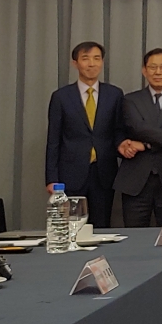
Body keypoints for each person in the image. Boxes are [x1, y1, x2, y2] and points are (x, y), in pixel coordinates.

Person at [45, 42, 132, 228]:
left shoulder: (114, 94)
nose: (91, 64)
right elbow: (53, 140)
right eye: (85, 59)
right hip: (70, 174)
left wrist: (122, 144)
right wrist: (52, 178)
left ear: (102, 62)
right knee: (72, 227)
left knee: (101, 226)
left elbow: (118, 130)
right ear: (75, 63)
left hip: (104, 172)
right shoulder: (61, 96)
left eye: (96, 58)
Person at [113, 48, 162, 227]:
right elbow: (137, 128)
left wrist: (145, 145)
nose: (158, 72)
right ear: (144, 70)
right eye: (153, 67)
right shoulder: (130, 100)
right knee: (135, 236)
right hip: (136, 179)